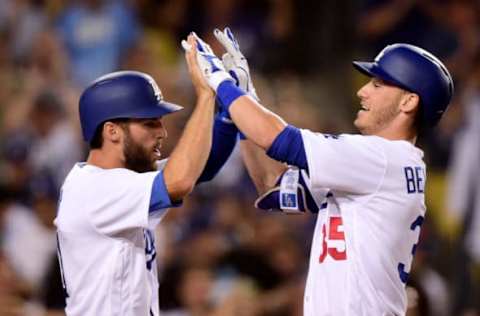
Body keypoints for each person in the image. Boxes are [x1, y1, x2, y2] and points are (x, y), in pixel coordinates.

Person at [185, 29, 454, 315]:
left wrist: (220, 81)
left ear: (408, 102)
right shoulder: (383, 166)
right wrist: (242, 98)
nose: (363, 91)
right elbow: (274, 186)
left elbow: (278, 139)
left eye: (378, 84)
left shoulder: (383, 158)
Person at [55, 35, 239, 316]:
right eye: (149, 123)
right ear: (112, 131)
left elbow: (203, 165)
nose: (162, 132)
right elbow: (181, 180)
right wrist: (206, 95)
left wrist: (232, 107)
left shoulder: (121, 179)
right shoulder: (94, 188)